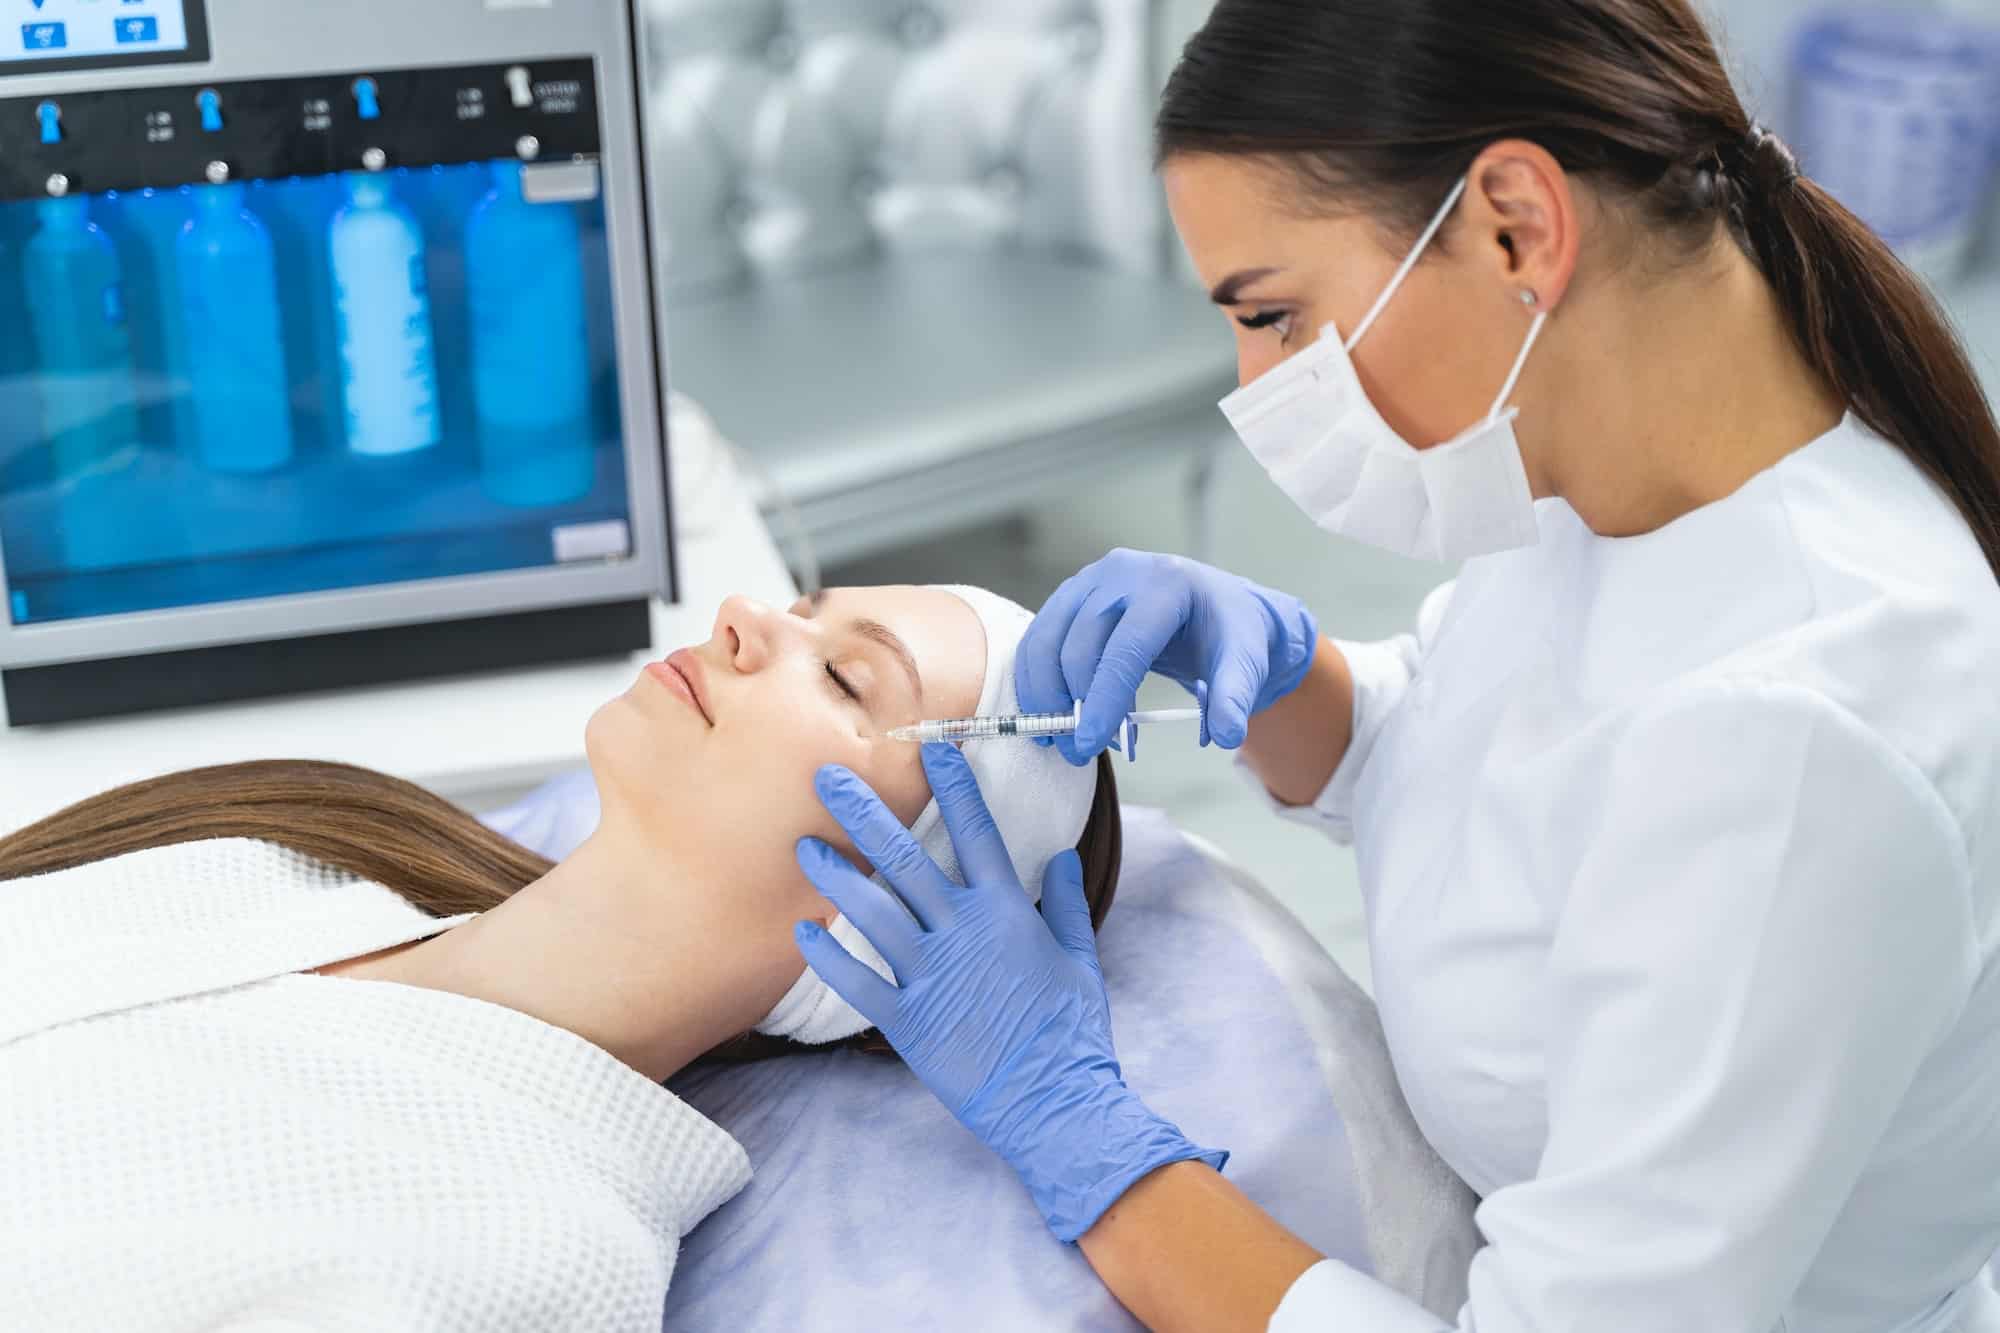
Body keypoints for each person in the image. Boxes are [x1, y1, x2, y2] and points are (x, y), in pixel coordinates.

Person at [788, 1, 2000, 1330]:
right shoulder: (1596, 469)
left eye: (1278, 314)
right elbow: (1491, 760)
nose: (1255, 384)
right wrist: (1284, 679)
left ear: (1514, 226)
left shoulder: (1799, 749)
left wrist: (1081, 1140)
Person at [0, 584, 1116, 1331]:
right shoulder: (310, 824)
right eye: (800, 611)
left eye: (845, 679)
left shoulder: (535, 1254)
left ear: (896, 909)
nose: (738, 618)